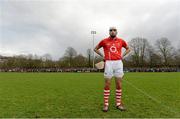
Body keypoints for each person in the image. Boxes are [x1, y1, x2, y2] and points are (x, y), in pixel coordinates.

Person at [94, 27, 131, 112]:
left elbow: (128, 49)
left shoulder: (121, 41)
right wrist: (102, 56)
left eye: (114, 30)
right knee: (107, 83)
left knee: (119, 84)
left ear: (116, 32)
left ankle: (118, 104)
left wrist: (122, 55)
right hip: (108, 63)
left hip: (118, 63)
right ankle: (106, 104)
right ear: (109, 32)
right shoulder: (104, 41)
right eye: (111, 30)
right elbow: (95, 49)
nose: (112, 31)